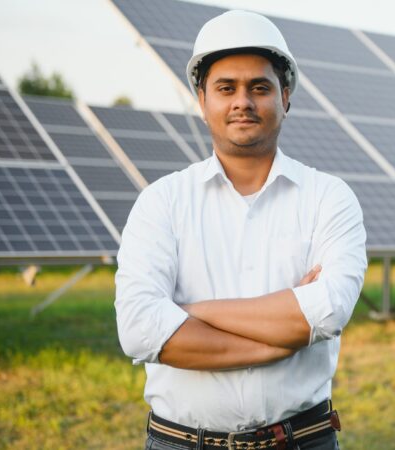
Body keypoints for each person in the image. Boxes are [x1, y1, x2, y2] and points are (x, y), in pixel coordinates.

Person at [114, 10, 367, 450]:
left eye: (260, 88)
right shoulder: (162, 202)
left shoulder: (330, 197)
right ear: (202, 99)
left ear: (285, 97)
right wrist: (280, 342)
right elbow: (138, 328)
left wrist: (192, 311)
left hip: (302, 440)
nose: (242, 102)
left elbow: (327, 311)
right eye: (226, 88)